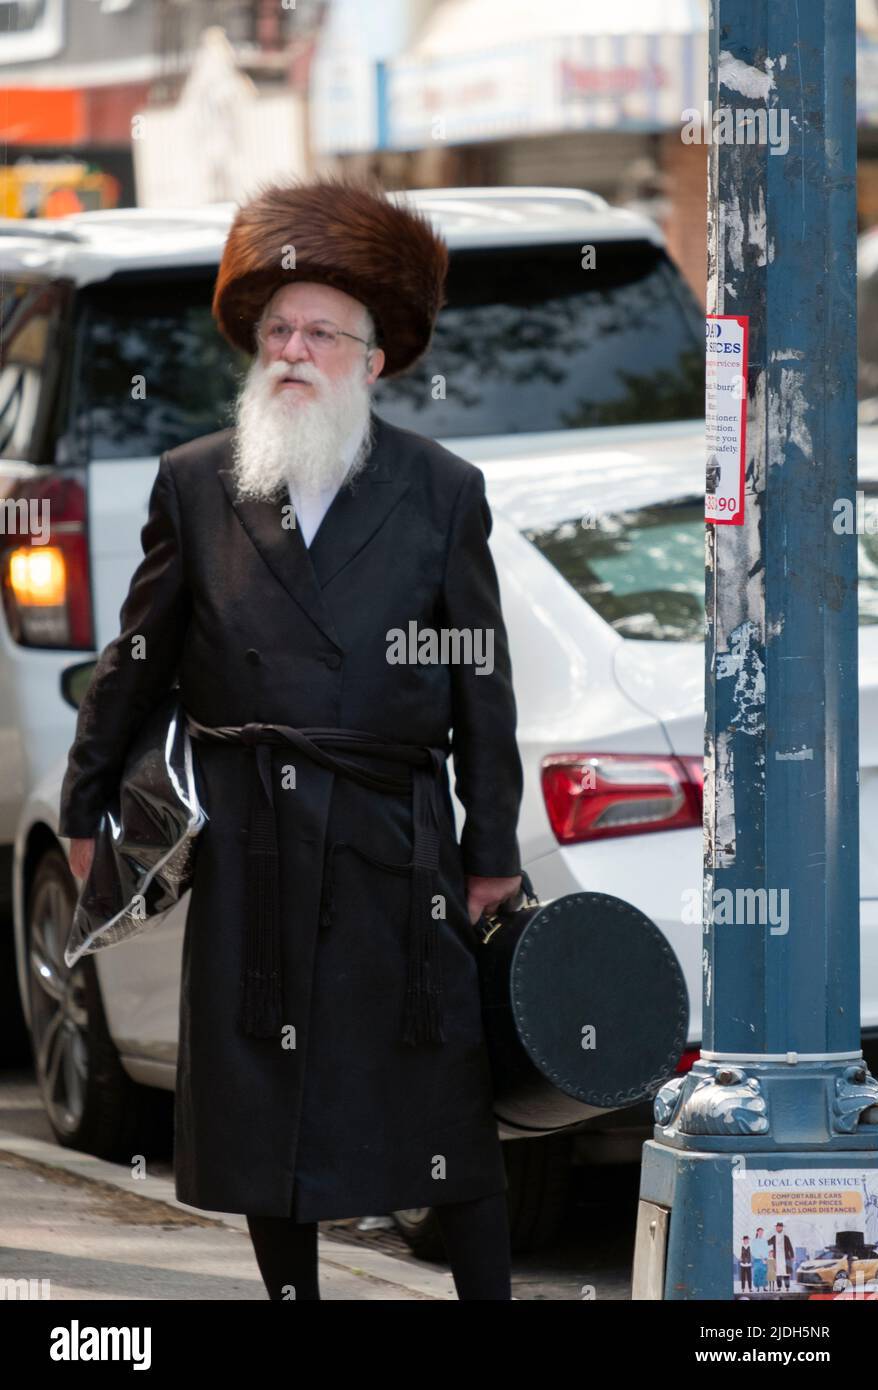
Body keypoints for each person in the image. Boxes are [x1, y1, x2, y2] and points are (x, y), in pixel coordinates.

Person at [59, 177, 525, 1301]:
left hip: (392, 847)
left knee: (438, 1111)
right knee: (270, 1112)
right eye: (277, 329)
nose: (294, 349)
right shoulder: (196, 482)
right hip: (253, 844)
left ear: (374, 360)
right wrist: (84, 813)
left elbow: (481, 683)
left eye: (322, 331)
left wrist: (490, 849)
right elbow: (135, 658)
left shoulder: (441, 489)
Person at [768, 1223, 794, 1292]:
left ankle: (787, 1287)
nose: (778, 1228)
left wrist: (792, 1256)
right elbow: (767, 1243)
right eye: (777, 1227)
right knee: (778, 1273)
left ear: (782, 1228)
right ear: (776, 1228)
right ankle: (779, 1287)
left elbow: (790, 1247)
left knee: (786, 1273)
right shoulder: (774, 1237)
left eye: (779, 1227)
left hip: (785, 1257)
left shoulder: (786, 1237)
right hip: (777, 1258)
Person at [751, 1226, 768, 1292]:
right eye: (760, 1232)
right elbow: (753, 1250)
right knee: (757, 1273)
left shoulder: (764, 1240)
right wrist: (759, 1256)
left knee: (764, 1273)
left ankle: (764, 1287)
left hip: (764, 1259)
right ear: (757, 1232)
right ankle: (757, 1287)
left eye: (762, 1232)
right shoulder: (754, 1241)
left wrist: (765, 1259)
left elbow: (766, 1249)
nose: (761, 1233)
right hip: (757, 1259)